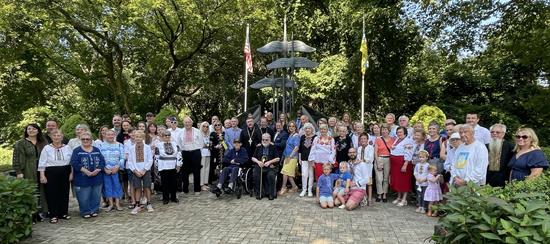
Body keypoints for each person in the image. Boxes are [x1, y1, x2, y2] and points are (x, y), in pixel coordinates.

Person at [13, 123, 48, 222]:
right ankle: (32, 214)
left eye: (34, 129)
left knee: (42, 191)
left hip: (42, 169)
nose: (31, 130)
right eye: (29, 129)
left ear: (38, 131)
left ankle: (41, 212)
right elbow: (16, 158)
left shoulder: (43, 142)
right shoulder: (21, 143)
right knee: (31, 191)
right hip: (28, 169)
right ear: (26, 131)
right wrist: (18, 172)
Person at [38, 129, 72, 223]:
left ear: (62, 137)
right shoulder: (46, 148)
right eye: (54, 136)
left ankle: (63, 213)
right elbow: (42, 162)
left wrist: (71, 173)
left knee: (64, 192)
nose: (56, 137)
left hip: (65, 171)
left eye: (58, 135)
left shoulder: (67, 148)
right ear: (51, 137)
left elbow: (71, 162)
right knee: (52, 194)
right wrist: (42, 175)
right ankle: (53, 215)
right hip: (51, 172)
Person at [70, 131, 105, 218]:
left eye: (87, 139)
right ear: (80, 140)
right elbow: (74, 162)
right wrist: (86, 171)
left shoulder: (96, 150)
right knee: (83, 196)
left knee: (96, 195)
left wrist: (97, 170)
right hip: (82, 178)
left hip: (97, 177)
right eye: (83, 139)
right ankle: (85, 211)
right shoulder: (77, 150)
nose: (85, 140)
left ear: (91, 140)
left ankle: (94, 210)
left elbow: (102, 161)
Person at [127, 130, 154, 214]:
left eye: (140, 137)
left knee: (147, 187)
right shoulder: (131, 148)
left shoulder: (147, 147)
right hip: (136, 171)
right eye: (136, 137)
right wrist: (135, 170)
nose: (138, 138)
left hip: (145, 170)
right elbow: (130, 161)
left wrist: (145, 169)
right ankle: (137, 205)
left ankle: (149, 203)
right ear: (134, 138)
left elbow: (150, 159)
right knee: (137, 188)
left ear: (143, 138)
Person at [99, 130, 125, 212]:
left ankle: (117, 203)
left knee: (117, 186)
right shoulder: (100, 146)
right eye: (108, 134)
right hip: (106, 170)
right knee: (108, 186)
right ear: (105, 135)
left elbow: (123, 157)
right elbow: (99, 158)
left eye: (112, 134)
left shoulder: (119, 145)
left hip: (116, 169)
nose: (110, 136)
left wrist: (117, 167)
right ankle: (110, 204)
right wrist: (104, 168)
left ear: (114, 135)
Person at [178, 117, 204, 195]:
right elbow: (179, 143)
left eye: (189, 122)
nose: (187, 124)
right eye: (186, 122)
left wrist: (195, 149)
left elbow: (201, 142)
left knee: (196, 171)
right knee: (184, 172)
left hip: (195, 152)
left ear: (192, 123)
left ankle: (197, 189)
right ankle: (185, 189)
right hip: (185, 153)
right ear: (183, 123)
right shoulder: (181, 131)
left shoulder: (197, 131)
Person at [154, 130, 182, 204]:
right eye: (165, 135)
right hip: (163, 166)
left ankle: (173, 197)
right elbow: (156, 157)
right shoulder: (158, 145)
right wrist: (157, 167)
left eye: (168, 135)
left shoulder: (175, 144)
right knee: (165, 183)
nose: (167, 137)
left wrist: (178, 164)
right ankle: (165, 198)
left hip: (173, 165)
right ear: (162, 136)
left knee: (174, 182)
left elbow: (179, 154)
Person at [390, 126, 414, 207]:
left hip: (403, 162)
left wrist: (405, 164)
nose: (399, 133)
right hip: (395, 164)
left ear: (405, 133)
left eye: (400, 132)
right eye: (397, 132)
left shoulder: (408, 141)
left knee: (404, 181)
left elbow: (409, 153)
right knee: (398, 181)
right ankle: (399, 197)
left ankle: (404, 199)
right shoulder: (397, 139)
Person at [252, 133, 280, 200]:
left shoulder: (273, 147)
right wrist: (258, 162)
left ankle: (271, 194)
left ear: (270, 140)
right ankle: (259, 193)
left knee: (271, 175)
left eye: (266, 140)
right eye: (263, 140)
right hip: (260, 166)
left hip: (270, 166)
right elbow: (253, 158)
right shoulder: (258, 147)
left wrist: (269, 162)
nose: (264, 141)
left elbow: (278, 158)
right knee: (256, 174)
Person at [373, 124, 394, 202]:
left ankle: (384, 194)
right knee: (379, 178)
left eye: (386, 129)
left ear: (389, 131)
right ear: (381, 130)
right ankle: (379, 194)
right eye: (383, 129)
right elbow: (375, 152)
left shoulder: (393, 139)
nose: (384, 131)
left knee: (386, 178)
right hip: (379, 158)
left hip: (388, 159)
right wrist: (378, 162)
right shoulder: (378, 139)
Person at [279, 121, 300, 195]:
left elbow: (296, 147)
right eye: (290, 126)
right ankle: (294, 187)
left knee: (285, 172)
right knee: (288, 174)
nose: (291, 127)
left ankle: (283, 187)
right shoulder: (290, 135)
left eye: (293, 126)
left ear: (295, 127)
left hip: (292, 157)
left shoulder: (296, 136)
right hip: (287, 156)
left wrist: (290, 156)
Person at [356, 133, 375, 205]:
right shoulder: (359, 148)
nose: (363, 140)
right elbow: (357, 157)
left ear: (367, 140)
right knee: (362, 184)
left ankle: (369, 199)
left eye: (364, 139)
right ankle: (363, 198)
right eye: (361, 139)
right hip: (361, 168)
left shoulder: (370, 147)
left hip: (368, 167)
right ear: (359, 140)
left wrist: (362, 160)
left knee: (369, 183)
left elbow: (371, 158)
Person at [299, 123, 316, 197]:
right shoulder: (302, 137)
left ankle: (310, 190)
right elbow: (300, 149)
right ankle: (304, 189)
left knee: (311, 174)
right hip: (303, 158)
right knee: (304, 174)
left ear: (312, 129)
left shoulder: (315, 137)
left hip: (312, 159)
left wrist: (314, 159)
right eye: (306, 128)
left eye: (309, 128)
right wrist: (299, 158)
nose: (307, 130)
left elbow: (316, 149)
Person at [209, 121, 225, 186]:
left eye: (219, 125)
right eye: (216, 125)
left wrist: (222, 142)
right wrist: (215, 146)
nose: (217, 126)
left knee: (223, 167)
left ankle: (222, 180)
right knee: (214, 167)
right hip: (215, 153)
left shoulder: (224, 133)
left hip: (222, 153)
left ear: (221, 126)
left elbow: (226, 145)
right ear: (214, 126)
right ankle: (213, 181)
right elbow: (210, 145)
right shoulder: (212, 134)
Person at [198, 122, 212, 191]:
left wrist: (209, 144)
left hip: (208, 153)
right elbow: (199, 144)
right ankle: (201, 184)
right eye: (204, 126)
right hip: (202, 153)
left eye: (207, 126)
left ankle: (205, 183)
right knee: (202, 169)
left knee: (207, 168)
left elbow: (209, 143)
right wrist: (205, 145)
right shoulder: (199, 134)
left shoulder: (208, 135)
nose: (205, 128)